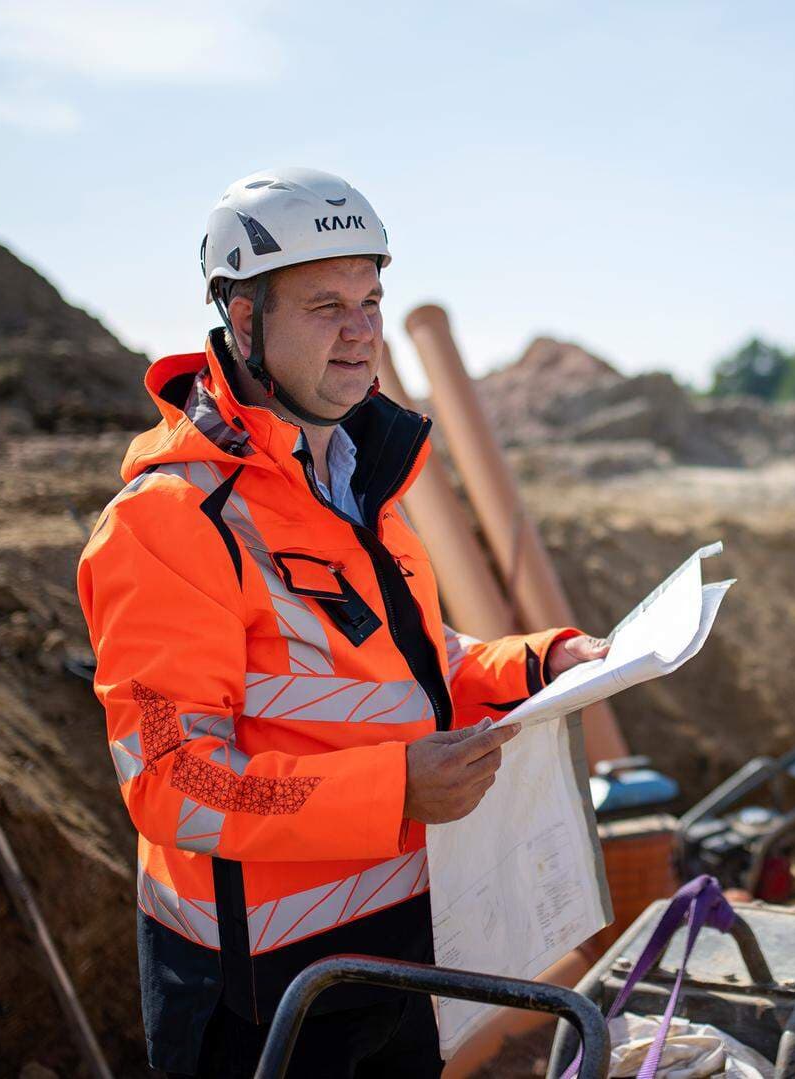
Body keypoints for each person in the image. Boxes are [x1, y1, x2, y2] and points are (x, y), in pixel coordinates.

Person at [77, 167, 608, 1078]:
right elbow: (174, 780)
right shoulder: (170, 521)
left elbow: (407, 664)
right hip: (261, 1001)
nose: (362, 331)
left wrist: (538, 662)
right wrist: (395, 789)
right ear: (243, 321)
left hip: (397, 956)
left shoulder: (357, 484)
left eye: (371, 298)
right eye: (326, 304)